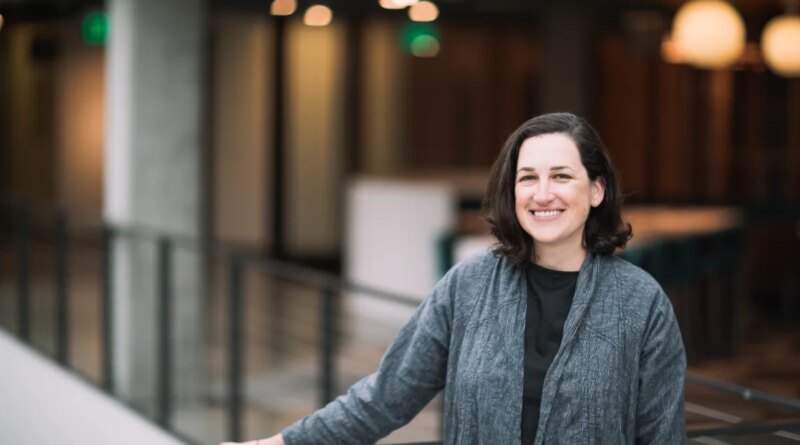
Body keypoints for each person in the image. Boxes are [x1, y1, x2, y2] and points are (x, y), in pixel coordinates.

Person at [222, 112, 686, 445]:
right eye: (527, 178)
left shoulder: (640, 303)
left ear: (597, 189)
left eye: (561, 176)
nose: (542, 194)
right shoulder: (470, 285)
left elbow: (661, 435)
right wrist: (283, 443)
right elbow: (387, 395)